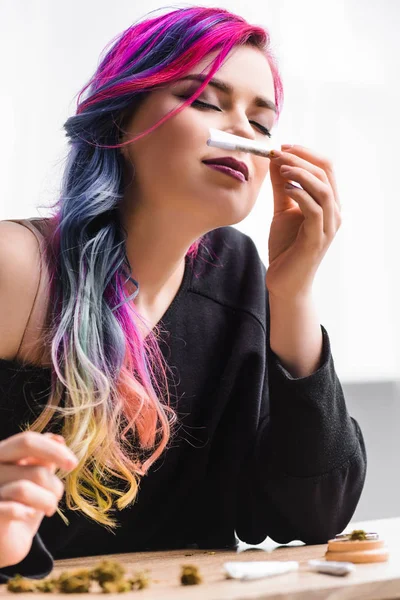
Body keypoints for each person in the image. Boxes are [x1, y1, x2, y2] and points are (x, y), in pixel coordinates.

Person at [0, 5, 366, 580]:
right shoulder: (17, 267)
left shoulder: (238, 272)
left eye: (263, 124)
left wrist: (292, 298)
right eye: (204, 101)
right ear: (120, 119)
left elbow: (311, 513)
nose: (244, 132)